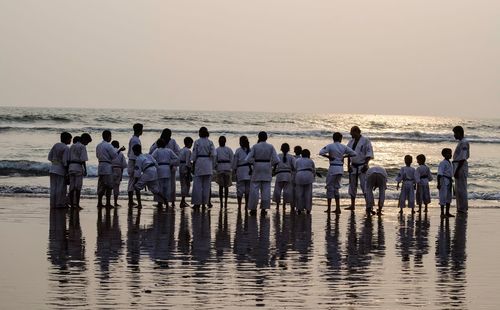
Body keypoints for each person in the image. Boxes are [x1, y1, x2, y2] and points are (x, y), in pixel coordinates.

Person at [319, 132, 356, 214]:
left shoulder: (330, 146)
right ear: (340, 139)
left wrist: (329, 156)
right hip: (340, 168)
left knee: (329, 187)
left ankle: (329, 208)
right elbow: (354, 153)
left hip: (333, 168)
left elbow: (321, 152)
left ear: (333, 138)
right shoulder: (343, 147)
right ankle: (338, 208)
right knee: (336, 188)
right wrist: (344, 156)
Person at [245, 131, 280, 216]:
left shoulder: (255, 146)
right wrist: (271, 166)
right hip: (267, 167)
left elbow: (247, 159)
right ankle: (263, 209)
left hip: (257, 166)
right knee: (266, 189)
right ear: (266, 138)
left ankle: (253, 208)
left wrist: (254, 162)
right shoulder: (270, 146)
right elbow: (276, 160)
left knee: (254, 189)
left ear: (259, 137)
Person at [150, 128, 181, 207]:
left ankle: (171, 201)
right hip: (167, 167)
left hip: (168, 167)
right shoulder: (158, 143)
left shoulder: (172, 142)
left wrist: (171, 163)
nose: (169, 137)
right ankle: (162, 202)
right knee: (167, 186)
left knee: (169, 185)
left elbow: (178, 153)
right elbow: (151, 151)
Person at [346, 126, 374, 210]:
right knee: (352, 186)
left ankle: (368, 205)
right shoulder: (351, 142)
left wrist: (366, 164)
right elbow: (348, 154)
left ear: (357, 132)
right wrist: (348, 166)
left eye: (352, 132)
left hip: (362, 166)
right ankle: (352, 205)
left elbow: (369, 153)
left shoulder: (365, 141)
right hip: (353, 166)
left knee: (364, 186)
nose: (351, 134)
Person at [96, 130, 124, 208]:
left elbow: (97, 156)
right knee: (109, 186)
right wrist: (120, 150)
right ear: (108, 136)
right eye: (110, 136)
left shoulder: (98, 145)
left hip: (100, 166)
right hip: (107, 167)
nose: (111, 138)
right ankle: (108, 203)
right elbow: (114, 156)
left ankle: (99, 202)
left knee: (101, 185)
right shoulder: (109, 146)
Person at [190, 127, 216, 209]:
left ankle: (197, 204)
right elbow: (214, 154)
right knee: (206, 186)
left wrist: (193, 164)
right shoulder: (210, 142)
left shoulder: (197, 142)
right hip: (208, 164)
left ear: (200, 133)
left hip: (199, 163)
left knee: (197, 185)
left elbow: (194, 155)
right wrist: (212, 163)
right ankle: (205, 203)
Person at [48, 131, 72, 208]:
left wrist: (55, 162)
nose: (70, 141)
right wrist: (67, 171)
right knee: (61, 188)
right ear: (66, 139)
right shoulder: (66, 148)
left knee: (53, 187)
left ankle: (53, 203)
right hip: (60, 170)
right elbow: (65, 162)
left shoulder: (56, 145)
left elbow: (49, 157)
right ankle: (60, 203)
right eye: (69, 139)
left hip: (52, 168)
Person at [68, 133, 92, 208]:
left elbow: (68, 158)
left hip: (71, 167)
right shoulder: (82, 147)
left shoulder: (72, 146)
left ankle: (72, 204)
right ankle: (77, 204)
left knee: (71, 187)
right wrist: (85, 169)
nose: (87, 144)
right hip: (78, 167)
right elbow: (83, 160)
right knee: (78, 187)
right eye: (87, 142)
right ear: (84, 140)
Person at [452, 126, 470, 214]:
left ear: (459, 133)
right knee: (458, 188)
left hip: (460, 166)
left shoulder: (463, 143)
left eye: (455, 133)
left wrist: (457, 170)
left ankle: (462, 208)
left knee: (461, 188)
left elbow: (462, 158)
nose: (454, 135)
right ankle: (460, 207)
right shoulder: (462, 142)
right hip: (458, 165)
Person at [273, 143, 295, 209]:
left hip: (279, 174)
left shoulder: (278, 156)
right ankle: (284, 206)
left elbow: (274, 164)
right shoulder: (291, 157)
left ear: (281, 149)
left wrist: (273, 171)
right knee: (286, 191)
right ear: (288, 149)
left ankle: (277, 205)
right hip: (288, 175)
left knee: (277, 190)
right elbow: (294, 167)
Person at [232, 136, 252, 209]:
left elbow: (235, 163)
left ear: (241, 142)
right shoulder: (250, 150)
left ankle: (239, 205)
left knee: (240, 189)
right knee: (248, 189)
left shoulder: (238, 150)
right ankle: (246, 205)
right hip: (249, 170)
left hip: (240, 170)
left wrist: (234, 170)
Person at [294, 149, 316, 214]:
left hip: (299, 176)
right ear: (309, 154)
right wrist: (313, 177)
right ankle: (308, 209)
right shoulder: (311, 161)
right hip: (308, 176)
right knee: (308, 194)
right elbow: (314, 170)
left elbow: (295, 169)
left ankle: (299, 208)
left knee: (299, 193)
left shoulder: (297, 160)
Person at [215, 136, 234, 207]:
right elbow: (232, 159)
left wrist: (215, 167)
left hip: (220, 168)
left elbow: (214, 160)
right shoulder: (229, 149)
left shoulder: (217, 150)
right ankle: (225, 202)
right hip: (227, 168)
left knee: (221, 186)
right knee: (226, 186)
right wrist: (231, 167)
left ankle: (222, 202)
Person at [127, 123, 143, 206]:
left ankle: (131, 200)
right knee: (133, 182)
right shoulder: (135, 140)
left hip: (132, 161)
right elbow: (134, 154)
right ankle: (130, 201)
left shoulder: (134, 139)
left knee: (132, 181)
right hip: (133, 162)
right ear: (139, 130)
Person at [438, 148, 454, 218]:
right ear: (444, 155)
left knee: (448, 197)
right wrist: (438, 183)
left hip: (449, 180)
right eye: (448, 153)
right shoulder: (442, 163)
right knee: (443, 196)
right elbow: (439, 174)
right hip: (443, 180)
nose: (450, 155)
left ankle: (447, 212)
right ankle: (442, 213)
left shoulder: (450, 163)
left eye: (451, 153)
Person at [111, 140, 127, 207]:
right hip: (118, 169)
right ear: (117, 146)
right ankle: (115, 202)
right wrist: (121, 176)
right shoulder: (121, 153)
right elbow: (124, 165)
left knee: (109, 186)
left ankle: (107, 202)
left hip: (110, 169)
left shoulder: (110, 152)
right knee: (116, 187)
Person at [179, 137, 194, 208]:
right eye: (191, 143)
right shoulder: (188, 151)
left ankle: (183, 200)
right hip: (185, 168)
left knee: (183, 184)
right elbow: (188, 162)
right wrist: (189, 172)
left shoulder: (181, 150)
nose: (191, 145)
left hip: (181, 167)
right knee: (186, 184)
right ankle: (182, 201)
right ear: (188, 143)